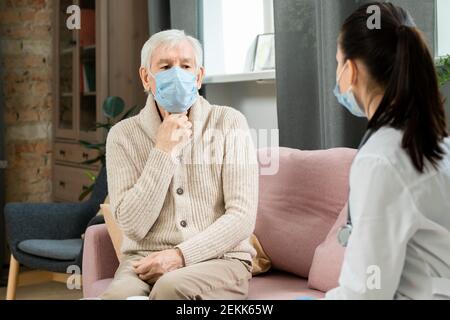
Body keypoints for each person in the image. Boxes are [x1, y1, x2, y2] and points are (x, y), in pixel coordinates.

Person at [101, 30, 259, 300]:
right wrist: (163, 151)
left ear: (198, 76)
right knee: (119, 297)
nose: (177, 73)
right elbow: (131, 225)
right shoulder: (122, 135)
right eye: (165, 66)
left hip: (220, 259)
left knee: (170, 288)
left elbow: (241, 217)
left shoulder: (229, 122)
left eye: (186, 66)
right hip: (143, 261)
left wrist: (180, 256)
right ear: (146, 77)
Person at [326, 2, 450, 300]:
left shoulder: (381, 160)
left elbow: (366, 293)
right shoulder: (436, 142)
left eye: (337, 61)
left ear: (350, 70)